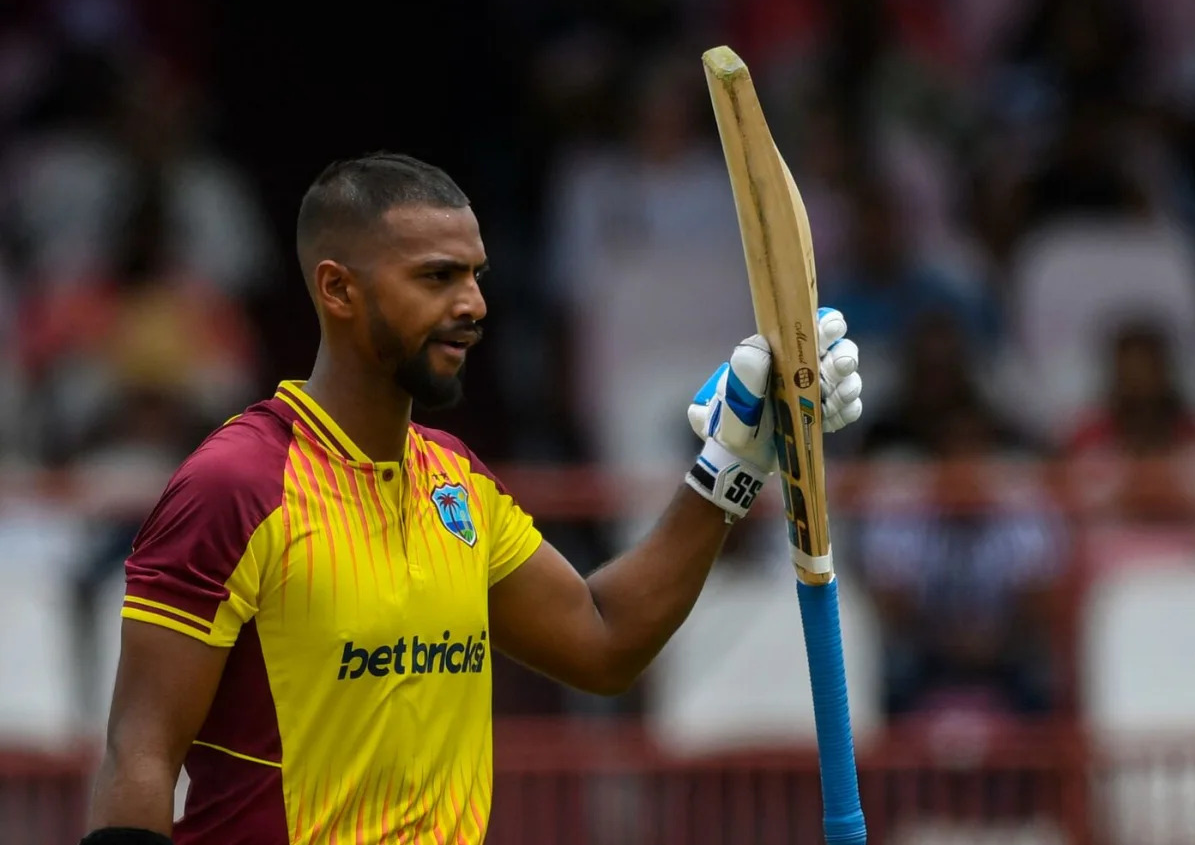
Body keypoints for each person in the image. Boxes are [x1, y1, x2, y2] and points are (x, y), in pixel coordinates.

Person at [80, 152, 864, 845]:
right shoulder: (234, 486)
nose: (474, 304)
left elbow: (604, 640)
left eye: (477, 275)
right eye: (437, 277)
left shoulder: (457, 480)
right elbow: (139, 753)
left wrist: (730, 464)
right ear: (338, 289)